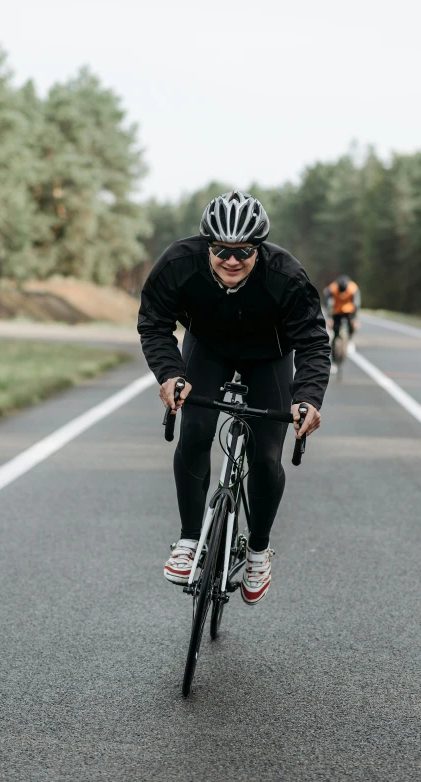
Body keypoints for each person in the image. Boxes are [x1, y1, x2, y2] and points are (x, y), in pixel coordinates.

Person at [138, 190, 331, 605]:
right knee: (196, 431)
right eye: (221, 250)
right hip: (207, 349)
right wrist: (170, 374)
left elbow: (314, 343)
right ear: (208, 245)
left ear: (258, 249)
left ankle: (258, 550)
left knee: (265, 456)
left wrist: (308, 399)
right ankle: (190, 540)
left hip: (270, 356)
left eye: (243, 250)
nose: (231, 259)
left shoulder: (286, 276)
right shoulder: (178, 263)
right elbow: (154, 323)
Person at [324, 274, 360, 373]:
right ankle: (334, 362)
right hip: (336, 311)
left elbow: (356, 304)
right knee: (335, 335)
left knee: (352, 326)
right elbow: (328, 304)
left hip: (349, 311)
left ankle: (350, 341)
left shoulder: (353, 288)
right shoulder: (332, 289)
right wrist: (330, 318)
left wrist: (354, 319)